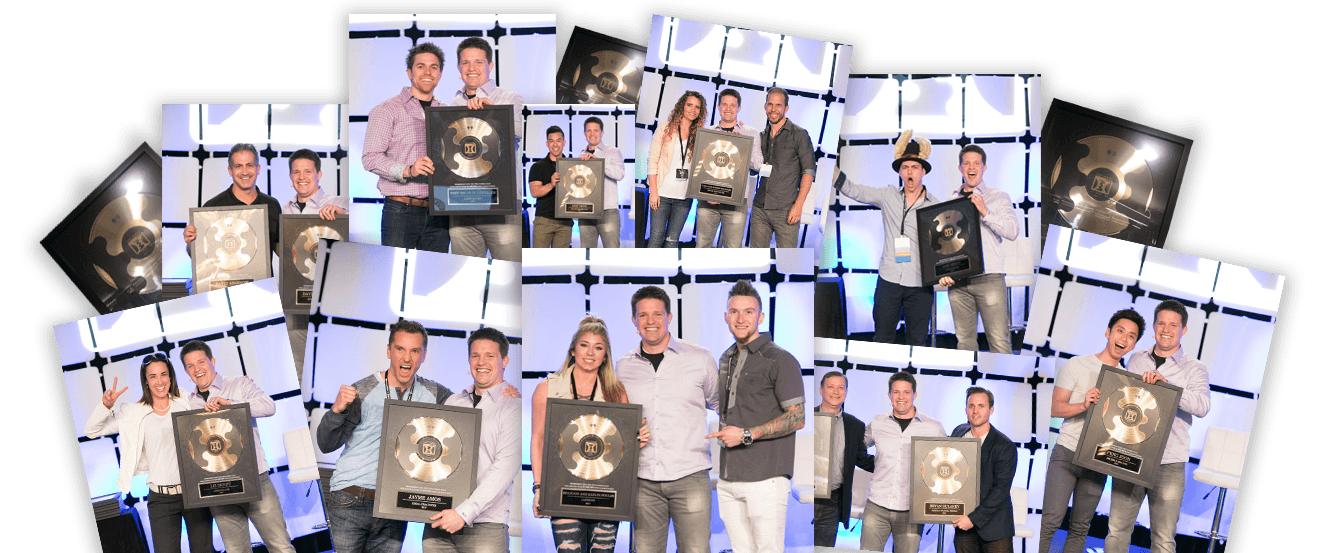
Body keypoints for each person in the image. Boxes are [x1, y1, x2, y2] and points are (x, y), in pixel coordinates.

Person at [315, 320, 458, 551]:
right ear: (389, 351)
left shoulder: (435, 394)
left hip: (395, 506)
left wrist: (501, 391)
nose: (406, 358)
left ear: (424, 356)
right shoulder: (362, 390)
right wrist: (336, 410)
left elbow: (468, 410)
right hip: (351, 499)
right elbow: (326, 444)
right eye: (400, 349)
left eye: (415, 351)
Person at [530, 316, 649, 552]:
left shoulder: (616, 391)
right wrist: (538, 488)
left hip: (605, 493)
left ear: (605, 356)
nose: (590, 353)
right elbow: (538, 440)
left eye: (598, 348)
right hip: (562, 490)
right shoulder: (547, 388)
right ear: (573, 350)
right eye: (584, 345)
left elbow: (622, 448)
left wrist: (638, 440)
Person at [615, 285, 720, 552]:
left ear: (669, 317)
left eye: (657, 314)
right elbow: (617, 419)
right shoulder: (623, 366)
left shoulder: (700, 358)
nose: (650, 321)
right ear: (634, 321)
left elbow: (723, 405)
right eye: (643, 315)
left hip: (690, 475)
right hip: (642, 479)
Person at [1104, 300, 1211, 553]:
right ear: (1154, 327)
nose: (1166, 329)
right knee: (1117, 531)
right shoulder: (1136, 359)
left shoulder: (1195, 368)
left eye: (1173, 325)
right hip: (1131, 455)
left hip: (1169, 462)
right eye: (1161, 323)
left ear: (1183, 330)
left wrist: (1168, 388)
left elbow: (1202, 406)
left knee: (1163, 540)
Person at [708, 280, 805, 553]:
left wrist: (746, 435)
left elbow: (797, 418)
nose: (741, 318)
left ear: (760, 317)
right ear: (726, 317)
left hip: (766, 479)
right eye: (734, 312)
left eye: (748, 312)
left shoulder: (781, 360)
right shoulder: (726, 358)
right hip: (728, 478)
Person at [1037, 308, 1145, 553]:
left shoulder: (1129, 382)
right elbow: (1054, 408)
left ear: (1134, 344)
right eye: (1120, 331)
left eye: (1131, 336)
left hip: (1098, 460)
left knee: (1080, 527)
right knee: (1050, 521)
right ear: (1108, 332)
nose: (1124, 338)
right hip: (1067, 453)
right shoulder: (1077, 364)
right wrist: (1083, 405)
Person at [85, 353, 214, 553]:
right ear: (145, 381)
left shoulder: (185, 401)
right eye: (153, 376)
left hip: (193, 492)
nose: (159, 381)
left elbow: (213, 409)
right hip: (161, 499)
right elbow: (92, 431)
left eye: (163, 374)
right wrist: (106, 405)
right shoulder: (133, 413)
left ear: (170, 376)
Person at [178, 340, 294, 553]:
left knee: (280, 547)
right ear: (186, 371)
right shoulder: (187, 403)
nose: (197, 369)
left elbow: (269, 406)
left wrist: (231, 404)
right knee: (236, 551)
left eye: (201, 362)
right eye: (190, 365)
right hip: (217, 489)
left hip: (255, 479)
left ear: (212, 361)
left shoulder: (239, 385)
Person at [831, 130, 938, 345]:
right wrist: (829, 169)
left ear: (923, 171)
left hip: (920, 283)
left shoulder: (935, 206)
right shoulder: (888, 195)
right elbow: (855, 190)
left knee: (917, 342)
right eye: (905, 167)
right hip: (889, 280)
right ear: (900, 171)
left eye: (915, 167)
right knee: (882, 338)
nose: (910, 172)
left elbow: (942, 247)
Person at [422, 327, 522, 552]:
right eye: (475, 355)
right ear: (469, 360)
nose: (481, 362)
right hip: (439, 522)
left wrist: (463, 513)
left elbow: (504, 469)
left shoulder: (513, 407)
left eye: (490, 356)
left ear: (504, 361)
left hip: (485, 527)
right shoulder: (453, 402)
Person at [363, 42, 451, 253]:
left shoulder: (448, 112)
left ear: (440, 75)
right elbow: (370, 158)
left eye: (434, 67)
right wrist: (408, 170)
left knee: (433, 272)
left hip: (440, 212)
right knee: (396, 270)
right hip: (401, 211)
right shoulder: (387, 110)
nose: (427, 72)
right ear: (410, 72)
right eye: (421, 66)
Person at [448, 37, 524, 262]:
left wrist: (495, 114)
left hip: (501, 203)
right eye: (465, 62)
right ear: (459, 67)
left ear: (490, 65)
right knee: (467, 273)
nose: (471, 68)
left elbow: (518, 133)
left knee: (509, 272)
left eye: (478, 62)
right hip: (461, 202)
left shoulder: (510, 99)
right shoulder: (453, 104)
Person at [937, 145, 1019, 353]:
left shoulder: (999, 197)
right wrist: (943, 271)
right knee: (964, 345)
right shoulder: (950, 201)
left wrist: (985, 211)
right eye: (967, 163)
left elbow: (1012, 231)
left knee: (999, 343)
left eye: (976, 163)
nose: (971, 167)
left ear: (984, 167)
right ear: (960, 168)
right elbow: (945, 244)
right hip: (958, 282)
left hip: (989, 278)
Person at [861, 371, 946, 552]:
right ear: (889, 395)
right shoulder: (878, 422)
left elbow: (947, 462)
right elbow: (857, 447)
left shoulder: (933, 427)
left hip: (912, 511)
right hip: (877, 506)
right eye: (896, 392)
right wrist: (874, 463)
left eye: (906, 392)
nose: (901, 397)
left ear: (914, 395)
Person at [948, 387, 1016, 553]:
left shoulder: (1005, 446)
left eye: (981, 406)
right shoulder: (958, 433)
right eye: (971, 406)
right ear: (966, 409)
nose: (975, 411)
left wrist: (973, 519)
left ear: (991, 410)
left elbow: (1000, 490)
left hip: (995, 529)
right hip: (964, 528)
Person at [183, 142, 282, 257]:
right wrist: (191, 241)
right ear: (230, 171)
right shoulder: (212, 207)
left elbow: (279, 246)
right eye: (238, 166)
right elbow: (195, 253)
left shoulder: (272, 205)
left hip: (262, 270)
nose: (245, 172)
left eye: (249, 165)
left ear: (258, 169)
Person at [812, 371, 875, 548]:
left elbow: (861, 458)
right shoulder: (807, 418)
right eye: (830, 387)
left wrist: (893, 463)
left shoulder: (855, 425)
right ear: (821, 390)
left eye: (841, 388)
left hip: (832, 500)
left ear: (846, 393)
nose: (836, 392)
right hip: (805, 497)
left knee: (823, 548)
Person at [749, 87, 814, 249]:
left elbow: (809, 171)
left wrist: (798, 206)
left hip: (786, 210)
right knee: (756, 259)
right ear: (765, 107)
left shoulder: (799, 135)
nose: (774, 109)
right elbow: (753, 170)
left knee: (788, 261)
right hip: (760, 208)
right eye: (770, 104)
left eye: (778, 105)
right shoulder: (761, 137)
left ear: (786, 108)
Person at [697, 89, 763, 248]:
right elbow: (700, 166)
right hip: (708, 199)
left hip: (736, 202)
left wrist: (742, 146)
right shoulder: (707, 132)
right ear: (718, 107)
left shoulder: (751, 133)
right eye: (724, 104)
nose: (728, 108)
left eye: (733, 105)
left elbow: (758, 165)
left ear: (739, 108)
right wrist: (704, 193)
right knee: (702, 246)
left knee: (732, 249)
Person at [646, 91, 706, 248]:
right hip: (661, 194)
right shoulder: (664, 128)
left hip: (684, 197)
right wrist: (653, 191)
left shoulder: (700, 134)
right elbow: (652, 160)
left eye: (697, 107)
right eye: (689, 105)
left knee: (672, 241)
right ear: (682, 106)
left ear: (700, 111)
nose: (693, 110)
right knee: (656, 239)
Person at [576, 116, 626, 248]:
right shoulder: (580, 155)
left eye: (596, 130)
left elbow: (619, 174)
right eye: (589, 130)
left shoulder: (613, 152)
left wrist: (598, 162)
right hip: (585, 211)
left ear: (602, 132)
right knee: (587, 253)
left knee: (611, 252)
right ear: (584, 134)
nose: (592, 134)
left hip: (607, 211)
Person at [529, 126, 571, 248]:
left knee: (560, 260)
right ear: (547, 144)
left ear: (564, 143)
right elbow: (534, 192)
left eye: (558, 140)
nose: (555, 144)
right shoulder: (538, 166)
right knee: (540, 258)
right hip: (544, 221)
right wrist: (551, 184)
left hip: (565, 222)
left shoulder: (572, 166)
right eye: (551, 141)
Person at [282, 148, 348, 220]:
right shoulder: (287, 207)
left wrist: (344, 214)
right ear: (290, 176)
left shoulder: (339, 204)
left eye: (308, 171)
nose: (301, 177)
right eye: (296, 172)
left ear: (319, 175)